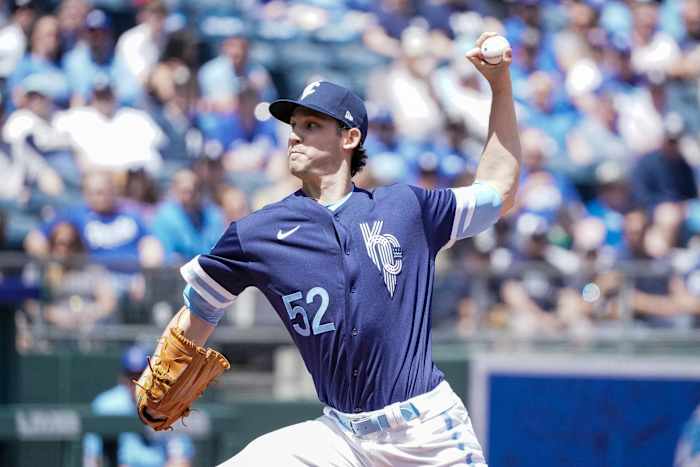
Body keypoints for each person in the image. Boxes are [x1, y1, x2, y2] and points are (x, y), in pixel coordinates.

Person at [140, 31, 521, 466]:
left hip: (427, 434)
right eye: (294, 127)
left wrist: (501, 87)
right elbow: (202, 305)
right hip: (341, 437)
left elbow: (499, 191)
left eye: (311, 125)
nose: (294, 137)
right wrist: (162, 373)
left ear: (350, 137)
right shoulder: (257, 233)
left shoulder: (405, 208)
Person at [83, 345, 194, 467]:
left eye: (142, 375)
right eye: (132, 376)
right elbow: (92, 457)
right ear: (122, 377)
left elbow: (181, 457)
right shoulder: (106, 405)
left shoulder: (168, 403)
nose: (137, 381)